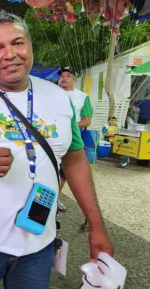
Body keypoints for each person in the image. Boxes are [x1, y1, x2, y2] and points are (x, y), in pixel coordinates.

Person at [0, 11, 113, 289]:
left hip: (39, 243)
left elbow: (75, 161)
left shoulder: (60, 99)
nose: (10, 54)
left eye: (17, 43)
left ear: (30, 47)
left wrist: (96, 224)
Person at [58, 66, 93, 212]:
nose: (64, 78)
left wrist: (69, 126)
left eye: (68, 76)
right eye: (62, 76)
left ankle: (54, 198)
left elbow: (87, 121)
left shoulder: (82, 97)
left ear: (74, 80)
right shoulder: (52, 94)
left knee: (65, 171)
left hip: (72, 137)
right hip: (52, 136)